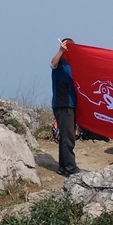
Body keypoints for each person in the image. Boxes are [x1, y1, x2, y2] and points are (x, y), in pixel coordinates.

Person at [50, 38, 79, 177]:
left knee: (66, 136)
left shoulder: (73, 64)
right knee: (68, 137)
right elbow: (53, 63)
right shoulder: (61, 62)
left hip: (71, 105)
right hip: (63, 105)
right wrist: (61, 50)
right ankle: (70, 168)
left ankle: (63, 167)